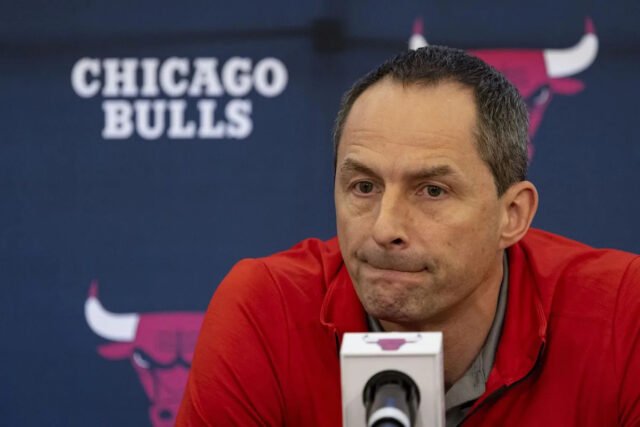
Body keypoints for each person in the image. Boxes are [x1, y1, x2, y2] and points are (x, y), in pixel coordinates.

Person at [176, 46, 640, 426]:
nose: (385, 229)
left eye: (432, 191)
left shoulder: (622, 310)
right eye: (364, 187)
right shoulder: (266, 307)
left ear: (511, 215)